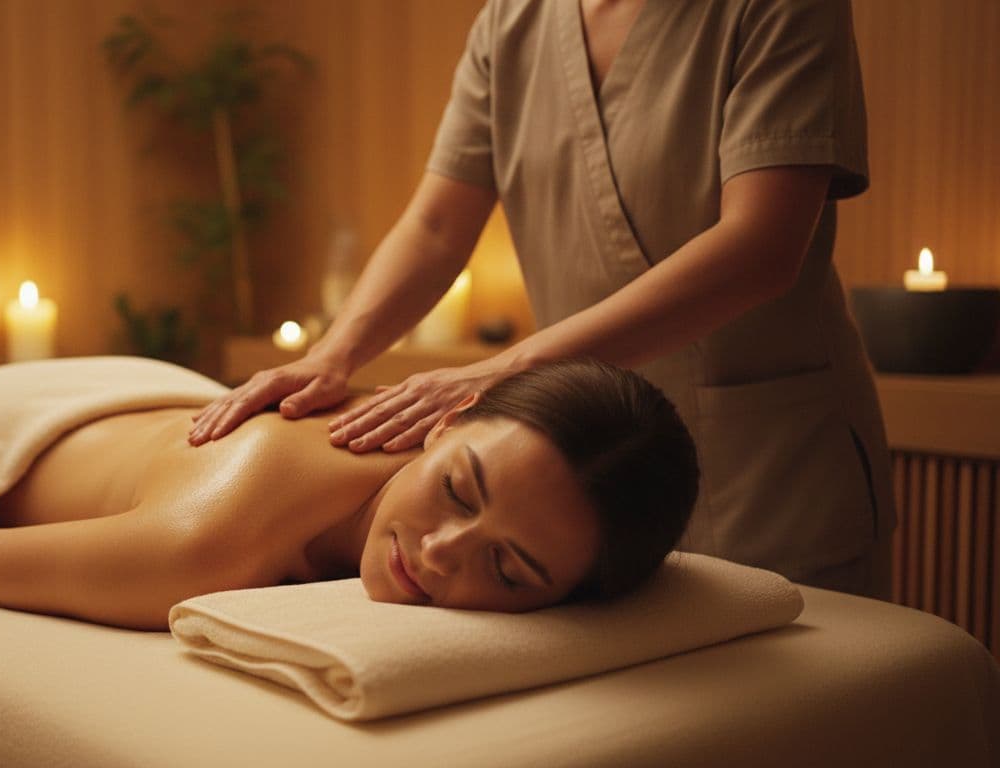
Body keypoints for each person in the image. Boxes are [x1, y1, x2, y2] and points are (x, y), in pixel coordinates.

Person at [188, 0, 894, 599]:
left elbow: (761, 247)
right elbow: (436, 226)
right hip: (563, 492)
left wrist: (514, 368)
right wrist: (333, 355)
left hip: (765, 464)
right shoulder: (516, 18)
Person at [0, 359, 698, 629]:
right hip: (14, 413)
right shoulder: (204, 545)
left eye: (509, 571)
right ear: (444, 420)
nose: (438, 552)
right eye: (459, 492)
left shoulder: (428, 461)